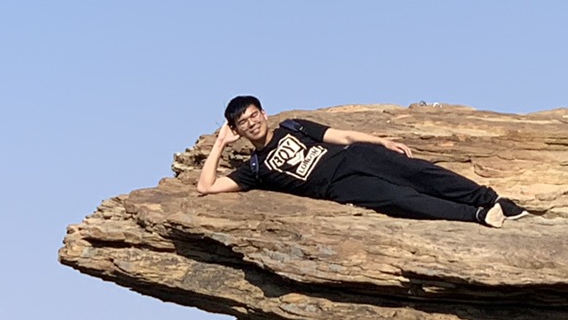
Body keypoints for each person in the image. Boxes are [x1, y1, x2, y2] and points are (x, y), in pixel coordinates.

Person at [197, 96, 527, 226]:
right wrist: (219, 143)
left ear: (263, 113)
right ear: (237, 129)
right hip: (340, 186)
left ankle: (493, 199)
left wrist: (380, 141)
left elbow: (339, 136)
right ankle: (479, 215)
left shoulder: (292, 126)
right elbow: (206, 186)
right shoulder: (254, 170)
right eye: (244, 123)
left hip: (354, 156)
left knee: (419, 172)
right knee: (403, 200)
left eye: (255, 115)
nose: (252, 123)